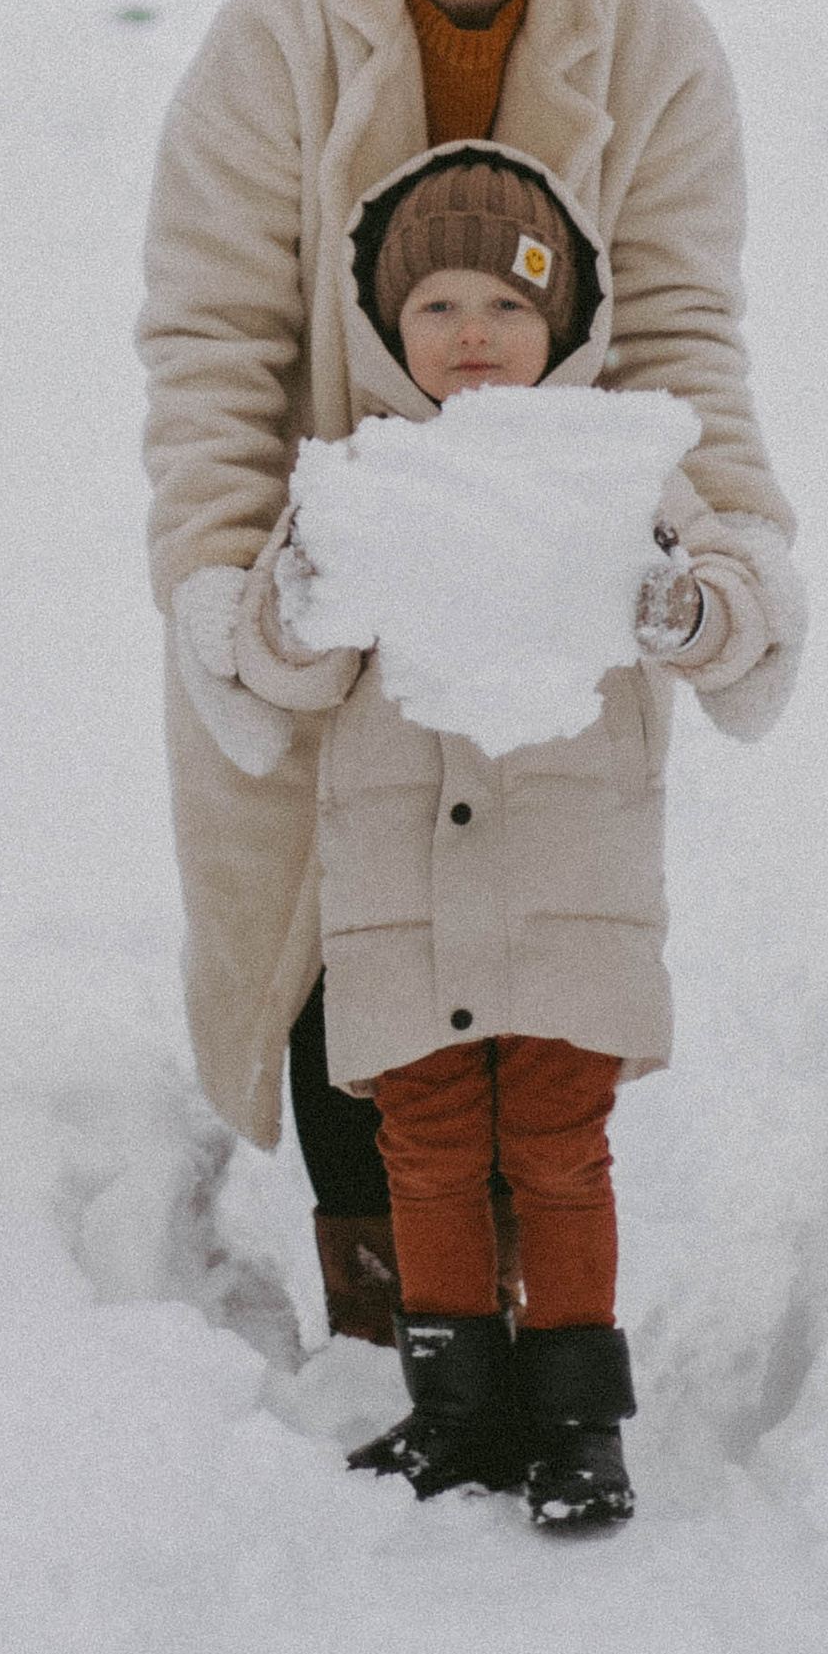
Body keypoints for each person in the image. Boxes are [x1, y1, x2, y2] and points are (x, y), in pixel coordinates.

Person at [137, 0, 804, 1391]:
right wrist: (223, 581)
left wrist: (730, 547)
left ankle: (535, 1320)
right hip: (330, 584)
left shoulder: (652, 48)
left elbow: (677, 335)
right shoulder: (283, 28)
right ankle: (386, 1330)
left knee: (531, 946)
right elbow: (213, 337)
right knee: (330, 929)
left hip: (548, 597)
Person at [221, 137, 721, 1529]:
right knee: (428, 1144)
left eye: (506, 305)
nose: (474, 335)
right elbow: (284, 663)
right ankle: (458, 1407)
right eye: (436, 307)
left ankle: (578, 1422)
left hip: (567, 887)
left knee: (558, 1146)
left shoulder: (614, 468)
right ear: (389, 327)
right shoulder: (359, 482)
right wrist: (302, 589)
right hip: (403, 893)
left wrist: (691, 607)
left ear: (560, 319)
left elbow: (732, 610)